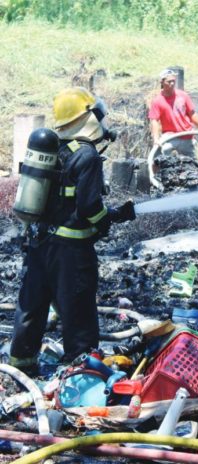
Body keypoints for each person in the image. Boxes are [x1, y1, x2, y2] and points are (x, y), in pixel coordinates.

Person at [10, 87, 136, 374]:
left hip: (38, 245)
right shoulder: (87, 156)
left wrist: (112, 215)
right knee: (78, 310)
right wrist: (107, 221)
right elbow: (90, 207)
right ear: (87, 117)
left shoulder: (54, 150)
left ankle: (20, 368)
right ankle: (82, 373)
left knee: (32, 306)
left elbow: (61, 202)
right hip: (71, 253)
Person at [148, 68, 198, 158]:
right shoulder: (157, 101)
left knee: (191, 162)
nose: (172, 84)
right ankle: (155, 171)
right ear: (162, 82)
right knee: (158, 156)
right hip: (170, 136)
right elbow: (154, 121)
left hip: (186, 135)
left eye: (173, 81)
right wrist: (156, 139)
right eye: (169, 82)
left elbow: (192, 113)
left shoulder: (183, 95)